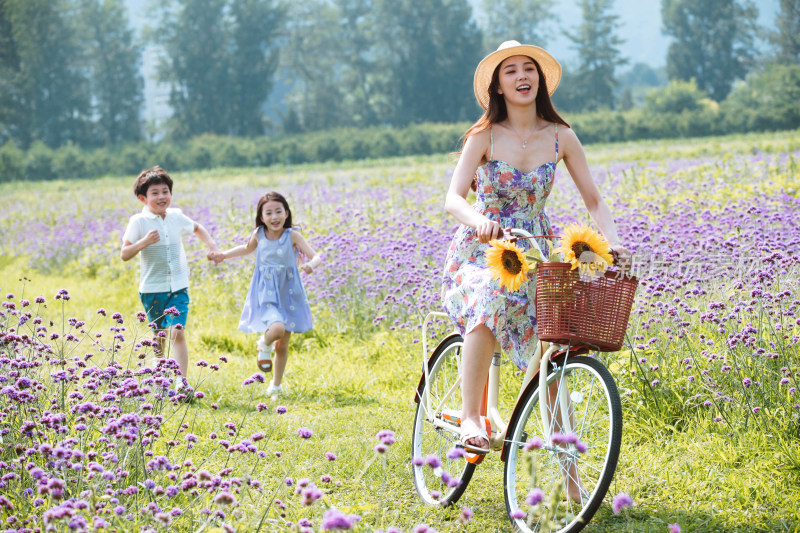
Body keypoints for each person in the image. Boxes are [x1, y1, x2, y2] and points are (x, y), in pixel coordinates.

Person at [441, 41, 633, 463]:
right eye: (510, 71)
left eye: (529, 69)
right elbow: (453, 199)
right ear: (497, 85)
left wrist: (613, 242)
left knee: (556, 338)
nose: (522, 77)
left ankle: (565, 473)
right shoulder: (484, 136)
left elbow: (595, 201)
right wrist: (480, 222)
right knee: (490, 295)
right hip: (484, 249)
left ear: (540, 80)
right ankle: (471, 418)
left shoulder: (561, 136)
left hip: (537, 249)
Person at [209, 191, 319, 395]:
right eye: (268, 213)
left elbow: (315, 255)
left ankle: (275, 386)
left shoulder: (292, 235)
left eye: (279, 211)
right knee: (276, 329)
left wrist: (311, 265)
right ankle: (263, 343)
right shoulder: (259, 234)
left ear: (286, 213)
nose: (274, 217)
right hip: (266, 292)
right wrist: (223, 255)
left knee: (283, 344)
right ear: (261, 217)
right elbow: (245, 248)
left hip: (289, 292)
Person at [121, 166, 220, 390]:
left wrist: (212, 245)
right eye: (154, 193)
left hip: (178, 286)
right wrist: (143, 242)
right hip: (152, 289)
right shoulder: (138, 222)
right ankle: (158, 367)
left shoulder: (176, 216)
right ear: (142, 198)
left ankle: (181, 382)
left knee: (177, 331)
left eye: (165, 191)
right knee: (159, 335)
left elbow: (197, 228)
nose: (161, 197)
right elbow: (124, 254)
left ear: (171, 194)